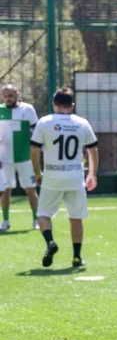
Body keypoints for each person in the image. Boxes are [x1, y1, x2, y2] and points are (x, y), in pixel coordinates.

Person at [29, 88, 98, 268]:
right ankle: (76, 257)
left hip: (52, 175)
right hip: (75, 176)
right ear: (72, 106)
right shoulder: (82, 123)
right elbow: (93, 149)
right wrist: (92, 173)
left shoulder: (45, 122)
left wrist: (37, 172)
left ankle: (50, 242)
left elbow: (35, 150)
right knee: (76, 217)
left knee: (43, 214)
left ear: (54, 104)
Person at [0, 84, 41, 231]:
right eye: (5, 96)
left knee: (30, 188)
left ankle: (36, 220)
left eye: (10, 96)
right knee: (5, 189)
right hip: (4, 159)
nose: (7, 99)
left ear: (17, 94)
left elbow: (36, 130)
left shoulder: (28, 109)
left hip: (25, 157)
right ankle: (5, 221)